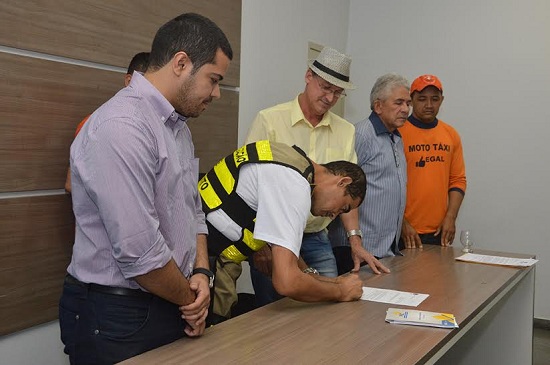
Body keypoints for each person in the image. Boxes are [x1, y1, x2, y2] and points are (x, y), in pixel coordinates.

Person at [59, 13, 232, 364]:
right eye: (213, 80)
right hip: (117, 313)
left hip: (169, 299)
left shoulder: (177, 126)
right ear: (181, 63)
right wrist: (191, 300)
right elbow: (141, 255)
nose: (216, 93)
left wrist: (200, 273)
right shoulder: (122, 126)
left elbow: (192, 210)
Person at [245, 46, 388, 306]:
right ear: (308, 76)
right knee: (272, 313)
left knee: (330, 308)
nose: (330, 97)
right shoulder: (269, 120)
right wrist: (260, 246)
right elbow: (250, 187)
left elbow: (349, 194)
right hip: (272, 236)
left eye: (337, 92)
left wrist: (354, 240)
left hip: (316, 236)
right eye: (325, 87)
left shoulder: (345, 131)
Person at [201, 140, 365, 325]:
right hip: (205, 264)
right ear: (343, 182)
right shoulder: (294, 185)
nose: (334, 216)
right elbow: (287, 282)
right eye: (343, 207)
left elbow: (283, 248)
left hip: (198, 249)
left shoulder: (287, 160)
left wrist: (333, 282)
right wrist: (341, 292)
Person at [328, 73, 411, 271]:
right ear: (378, 106)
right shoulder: (361, 135)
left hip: (385, 247)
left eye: (408, 103)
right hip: (357, 248)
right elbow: (342, 188)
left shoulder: (396, 138)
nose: (406, 109)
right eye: (398, 102)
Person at [64, 51, 150, 193]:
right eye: (148, 84)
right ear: (129, 81)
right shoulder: (94, 124)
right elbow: (71, 184)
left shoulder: (159, 129)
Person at [399, 74, 467, 248]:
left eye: (434, 99)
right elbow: (385, 185)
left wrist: (450, 218)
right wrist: (400, 223)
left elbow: (458, 180)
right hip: (403, 232)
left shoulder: (451, 134)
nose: (429, 105)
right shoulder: (397, 133)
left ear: (442, 100)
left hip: (439, 232)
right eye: (422, 99)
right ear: (411, 100)